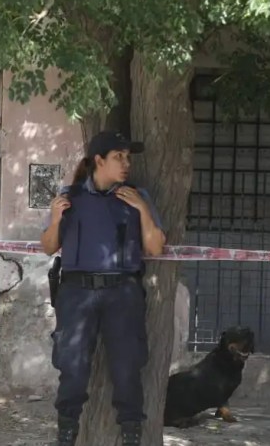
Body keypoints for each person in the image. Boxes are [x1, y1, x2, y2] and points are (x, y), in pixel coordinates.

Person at [40, 130, 166, 446]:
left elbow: (155, 248)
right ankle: (66, 435)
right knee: (72, 367)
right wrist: (55, 220)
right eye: (118, 157)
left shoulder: (137, 197)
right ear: (99, 160)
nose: (126, 164)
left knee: (127, 367)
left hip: (122, 292)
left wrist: (143, 210)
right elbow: (48, 246)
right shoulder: (70, 197)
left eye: (128, 157)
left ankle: (132, 436)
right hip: (76, 292)